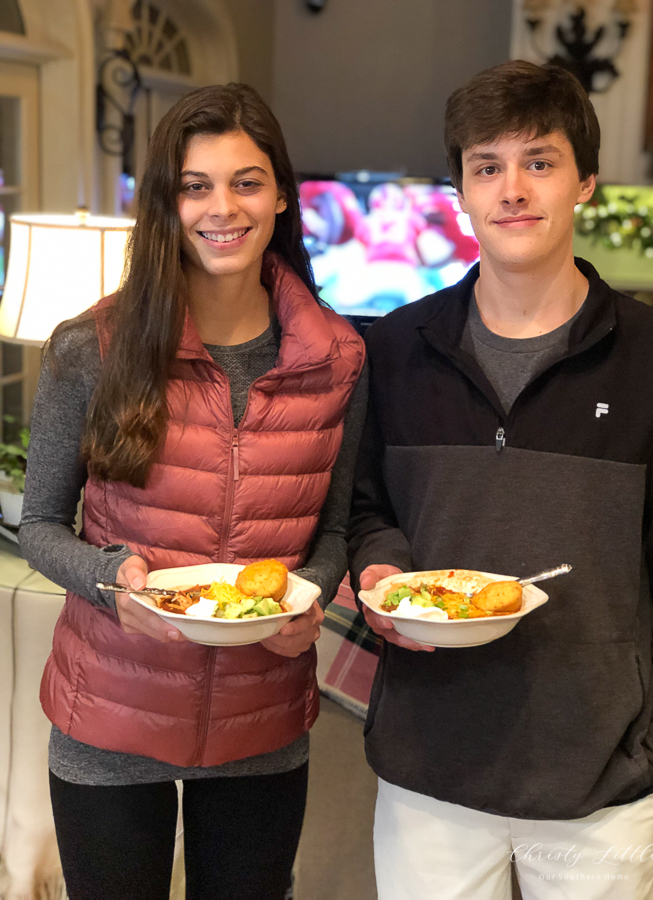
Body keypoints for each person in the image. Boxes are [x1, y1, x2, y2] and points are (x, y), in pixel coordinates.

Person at [20, 83, 366, 900]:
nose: (223, 208)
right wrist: (113, 582)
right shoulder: (91, 348)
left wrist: (308, 598)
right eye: (194, 185)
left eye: (246, 182)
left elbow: (336, 532)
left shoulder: (339, 357)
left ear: (281, 193)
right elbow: (39, 524)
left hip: (262, 721)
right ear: (166, 204)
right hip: (111, 712)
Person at [348, 60, 653, 900]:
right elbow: (367, 508)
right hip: (427, 772)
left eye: (539, 161)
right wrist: (379, 566)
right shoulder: (393, 349)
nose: (511, 189)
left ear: (585, 184)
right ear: (458, 190)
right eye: (485, 166)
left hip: (600, 786)